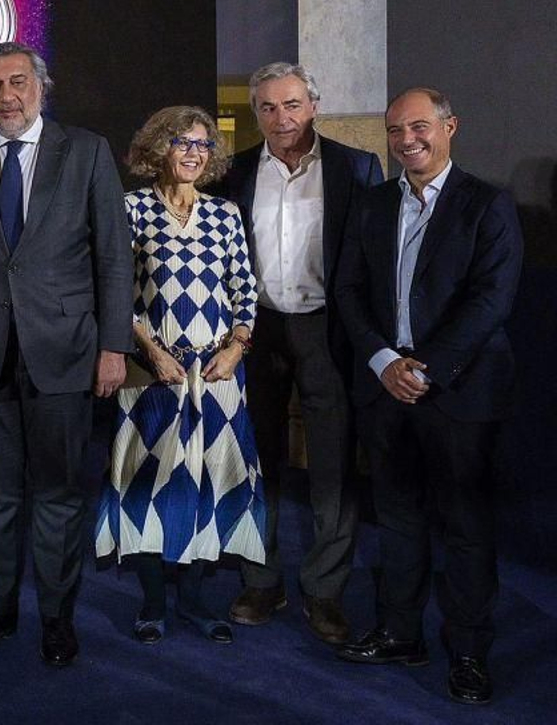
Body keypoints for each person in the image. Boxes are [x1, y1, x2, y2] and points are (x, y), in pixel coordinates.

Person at [0, 42, 133, 667]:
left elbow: (113, 257)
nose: (6, 96)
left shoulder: (88, 151)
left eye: (17, 82)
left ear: (41, 87)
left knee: (56, 494)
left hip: (67, 353)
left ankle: (55, 616)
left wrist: (112, 346)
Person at [334, 88, 523, 707]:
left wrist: (429, 369)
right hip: (386, 388)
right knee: (397, 518)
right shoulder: (373, 203)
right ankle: (399, 632)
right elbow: (350, 290)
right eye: (394, 130)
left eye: (419, 126)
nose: (406, 139)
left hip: (460, 393)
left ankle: (467, 652)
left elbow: (491, 300)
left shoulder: (487, 204)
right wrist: (385, 361)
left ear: (449, 128)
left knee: (465, 528)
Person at [215, 63, 382, 643]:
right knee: (255, 461)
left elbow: (369, 262)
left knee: (333, 464)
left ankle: (326, 592)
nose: (279, 118)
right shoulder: (232, 172)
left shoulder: (355, 168)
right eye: (266, 107)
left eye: (290, 105)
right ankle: (262, 581)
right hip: (253, 332)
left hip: (325, 332)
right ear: (255, 112)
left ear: (313, 105)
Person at [96, 105, 267, 645]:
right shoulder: (129, 209)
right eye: (180, 142)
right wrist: (150, 352)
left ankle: (193, 601)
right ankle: (151, 604)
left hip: (216, 374)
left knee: (207, 483)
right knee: (146, 484)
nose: (193, 152)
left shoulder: (225, 214)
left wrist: (238, 349)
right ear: (155, 151)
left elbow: (245, 290)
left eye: (201, 144)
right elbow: (115, 293)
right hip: (151, 376)